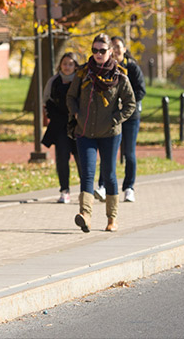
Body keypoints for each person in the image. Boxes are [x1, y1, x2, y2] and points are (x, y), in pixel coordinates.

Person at [66, 34, 136, 233]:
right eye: (94, 50)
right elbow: (70, 97)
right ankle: (85, 215)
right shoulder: (83, 73)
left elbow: (130, 104)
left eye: (102, 51)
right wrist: (77, 113)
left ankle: (112, 218)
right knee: (87, 174)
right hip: (85, 131)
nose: (97, 54)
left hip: (110, 133)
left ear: (110, 52)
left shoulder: (119, 76)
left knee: (109, 174)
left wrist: (115, 119)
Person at [93, 37, 145, 203]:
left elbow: (140, 91)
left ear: (124, 48)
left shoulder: (132, 67)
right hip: (110, 118)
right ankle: (102, 186)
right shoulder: (106, 68)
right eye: (112, 47)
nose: (115, 50)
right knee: (108, 154)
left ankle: (129, 187)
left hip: (129, 117)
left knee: (129, 153)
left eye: (118, 47)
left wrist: (124, 103)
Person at [41, 52, 80, 204]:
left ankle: (86, 190)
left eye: (71, 64)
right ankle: (64, 190)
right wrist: (52, 114)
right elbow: (46, 100)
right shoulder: (54, 81)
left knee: (81, 158)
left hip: (77, 125)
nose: (67, 67)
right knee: (62, 158)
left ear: (75, 66)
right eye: (65, 63)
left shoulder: (80, 80)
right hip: (60, 125)